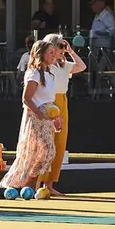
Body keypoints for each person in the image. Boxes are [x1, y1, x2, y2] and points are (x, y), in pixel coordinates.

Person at [0, 36, 66, 193]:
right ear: (40, 54)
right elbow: (27, 99)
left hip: (47, 117)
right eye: (49, 52)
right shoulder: (34, 73)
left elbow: (49, 101)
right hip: (35, 117)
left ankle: (28, 184)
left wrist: (55, 118)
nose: (53, 55)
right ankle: (20, 184)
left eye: (53, 52)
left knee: (46, 152)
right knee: (35, 151)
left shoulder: (50, 74)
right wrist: (40, 114)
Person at [38, 35, 84, 196]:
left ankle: (49, 184)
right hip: (50, 100)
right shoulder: (45, 66)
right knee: (46, 142)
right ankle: (39, 183)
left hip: (62, 100)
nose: (60, 49)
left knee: (59, 143)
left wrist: (70, 51)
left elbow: (82, 66)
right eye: (58, 46)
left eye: (61, 46)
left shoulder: (63, 65)